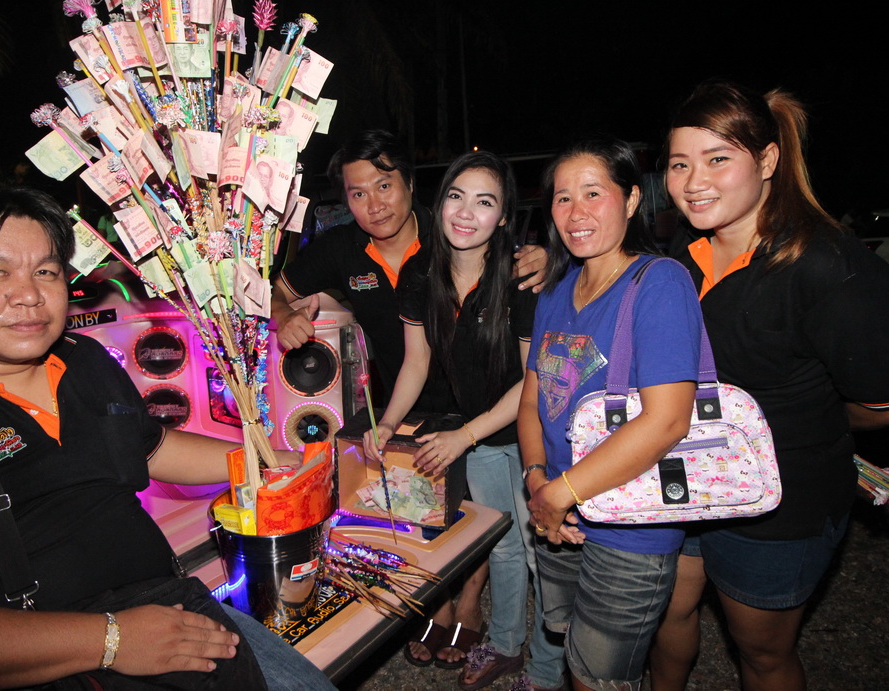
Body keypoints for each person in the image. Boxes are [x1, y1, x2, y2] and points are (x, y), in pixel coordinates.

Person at [0, 180, 337, 691]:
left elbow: (152, 448)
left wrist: (269, 460)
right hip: (44, 658)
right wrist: (111, 640)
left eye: (46, 271)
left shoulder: (85, 359)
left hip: (170, 609)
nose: (29, 295)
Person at [648, 80, 889, 691]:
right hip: (685, 476)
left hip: (780, 503)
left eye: (718, 159)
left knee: (762, 652)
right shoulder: (686, 254)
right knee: (666, 612)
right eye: (679, 164)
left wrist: (813, 421)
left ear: (768, 160)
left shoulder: (831, 270)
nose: (693, 182)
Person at [360, 151, 563, 691]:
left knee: (543, 552)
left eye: (485, 201)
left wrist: (464, 436)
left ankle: (547, 670)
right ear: (440, 202)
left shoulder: (520, 277)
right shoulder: (421, 273)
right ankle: (505, 645)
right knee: (504, 544)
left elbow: (534, 382)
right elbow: (416, 361)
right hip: (481, 437)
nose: (467, 212)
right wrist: (387, 423)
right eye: (456, 196)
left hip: (533, 432)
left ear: (504, 215)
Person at [518, 136, 703, 691]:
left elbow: (668, 420)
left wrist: (557, 492)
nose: (576, 212)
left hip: (631, 524)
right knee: (570, 643)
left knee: (597, 676)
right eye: (562, 198)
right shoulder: (555, 291)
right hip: (559, 512)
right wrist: (535, 478)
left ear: (631, 200)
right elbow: (532, 399)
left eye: (593, 193)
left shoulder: (658, 282)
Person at [270, 129, 548, 409]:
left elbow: (504, 257)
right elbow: (267, 291)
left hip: (489, 416)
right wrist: (283, 315)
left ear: (410, 184)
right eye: (359, 194)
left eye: (384, 186)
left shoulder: (452, 233)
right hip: (405, 412)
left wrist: (545, 260)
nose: (375, 206)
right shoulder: (340, 248)